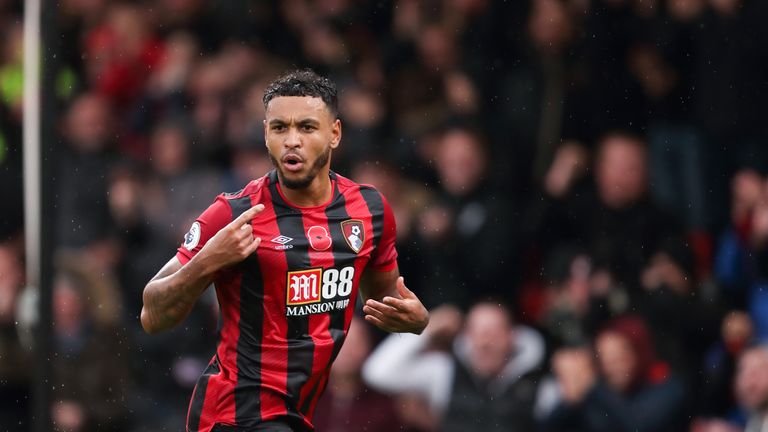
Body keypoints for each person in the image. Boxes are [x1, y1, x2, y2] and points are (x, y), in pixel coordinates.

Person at [139, 69, 430, 432]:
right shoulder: (234, 213)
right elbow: (152, 315)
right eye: (280, 128)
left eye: (307, 127)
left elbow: (384, 301)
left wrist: (417, 321)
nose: (292, 141)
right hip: (235, 413)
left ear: (334, 133)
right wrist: (206, 262)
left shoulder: (369, 211)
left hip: (297, 413)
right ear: (266, 134)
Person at [362, 302, 545, 432]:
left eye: (494, 332)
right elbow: (377, 372)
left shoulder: (537, 382)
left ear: (512, 337)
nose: (485, 343)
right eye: (477, 332)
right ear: (466, 337)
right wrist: (426, 326)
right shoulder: (444, 371)